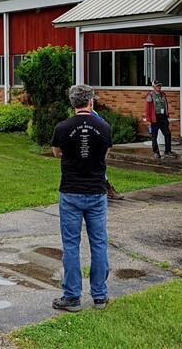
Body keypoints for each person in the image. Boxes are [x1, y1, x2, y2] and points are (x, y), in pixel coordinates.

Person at [51, 84, 112, 312]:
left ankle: (72, 296)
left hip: (71, 191)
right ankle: (100, 295)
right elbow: (106, 154)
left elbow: (57, 153)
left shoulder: (62, 127)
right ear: (91, 101)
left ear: (72, 103)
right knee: (99, 243)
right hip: (96, 191)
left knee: (71, 245)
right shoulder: (104, 127)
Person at [143, 80, 173, 159]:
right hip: (155, 118)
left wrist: (167, 115)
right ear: (153, 87)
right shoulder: (150, 96)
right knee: (154, 136)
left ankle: (168, 151)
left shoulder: (163, 94)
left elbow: (165, 106)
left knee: (167, 134)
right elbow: (147, 109)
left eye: (160, 85)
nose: (159, 87)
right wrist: (148, 120)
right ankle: (156, 152)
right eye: (157, 86)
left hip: (163, 117)